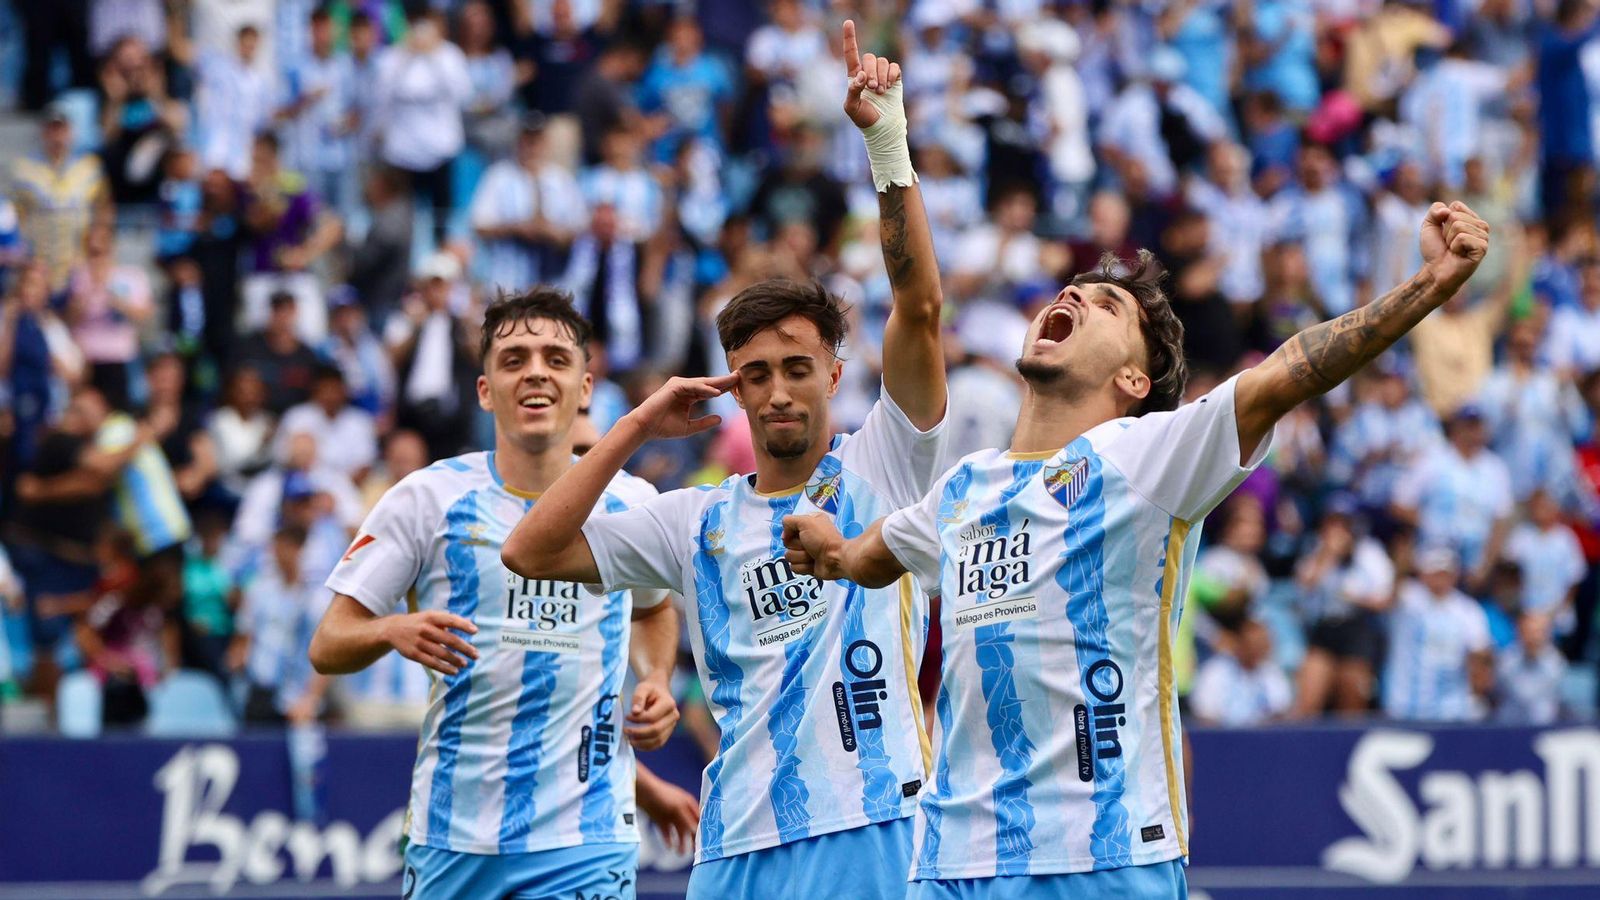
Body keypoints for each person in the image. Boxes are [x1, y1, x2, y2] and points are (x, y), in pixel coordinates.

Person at [780, 194, 1490, 895]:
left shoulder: (1148, 455)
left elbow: (1291, 371)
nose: (1076, 299)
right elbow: (872, 556)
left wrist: (1429, 282)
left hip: (1101, 860)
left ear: (1134, 378)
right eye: (1072, 292)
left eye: (1109, 307)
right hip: (951, 865)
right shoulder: (965, 487)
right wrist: (830, 548)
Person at [503, 23, 948, 899]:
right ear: (734, 392)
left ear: (834, 374)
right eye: (755, 375)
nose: (778, 392)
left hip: (874, 828)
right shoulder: (694, 519)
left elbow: (921, 307)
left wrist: (884, 142)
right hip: (735, 844)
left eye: (796, 369)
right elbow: (530, 551)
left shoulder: (887, 463)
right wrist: (633, 425)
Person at [308, 289, 683, 898]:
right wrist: (388, 630)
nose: (535, 371)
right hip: (454, 836)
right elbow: (328, 644)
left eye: (555, 359)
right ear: (485, 391)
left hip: (585, 836)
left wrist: (657, 679)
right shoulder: (427, 498)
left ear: (585, 388)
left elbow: (654, 610)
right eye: (514, 359)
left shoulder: (630, 504)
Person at [1383, 546, 1495, 723]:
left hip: (1451, 709)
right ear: (1423, 574)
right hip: (1404, 705)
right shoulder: (1408, 599)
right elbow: (1387, 601)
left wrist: (1477, 687)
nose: (1441, 579)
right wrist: (1401, 567)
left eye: (1445, 573)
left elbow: (1481, 654)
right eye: (1435, 572)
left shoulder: (1468, 611)